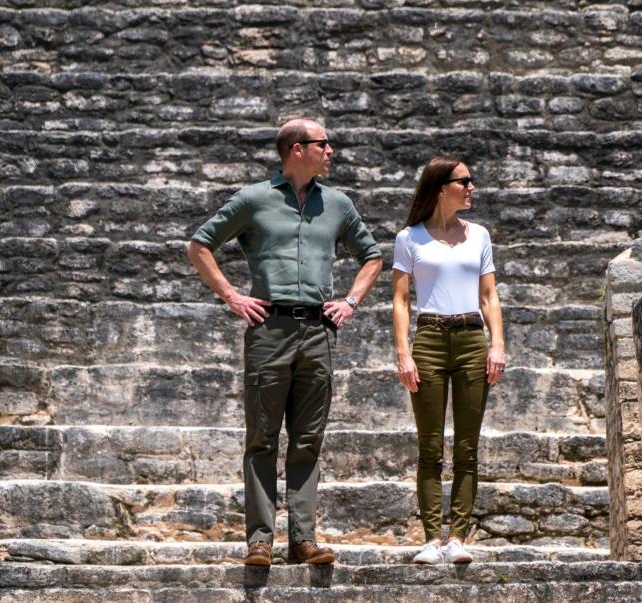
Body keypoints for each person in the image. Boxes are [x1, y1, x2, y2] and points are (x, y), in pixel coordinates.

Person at [187, 118, 383, 566]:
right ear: (297, 149)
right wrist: (233, 296)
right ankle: (259, 541)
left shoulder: (336, 203)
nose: (331, 150)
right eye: (323, 144)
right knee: (262, 438)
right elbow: (200, 245)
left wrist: (351, 301)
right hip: (268, 329)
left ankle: (303, 540)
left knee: (308, 438)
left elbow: (372, 255)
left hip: (318, 331)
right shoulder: (253, 199)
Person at [391, 156, 506, 564]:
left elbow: (490, 296)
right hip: (430, 340)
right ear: (442, 188)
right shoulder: (409, 238)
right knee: (430, 445)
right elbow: (401, 301)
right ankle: (430, 538)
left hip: (473, 338)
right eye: (465, 181)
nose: (472, 187)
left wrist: (498, 345)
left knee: (467, 446)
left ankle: (458, 536)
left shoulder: (479, 235)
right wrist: (404, 353)